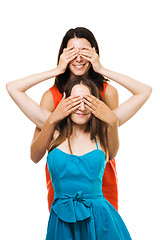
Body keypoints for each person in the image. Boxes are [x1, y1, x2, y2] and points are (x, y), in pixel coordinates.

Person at [6, 27, 152, 214]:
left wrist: (101, 68)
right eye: (71, 52)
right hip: (64, 185)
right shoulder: (51, 97)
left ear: (94, 53)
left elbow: (110, 142)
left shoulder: (107, 92)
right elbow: (36, 152)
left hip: (100, 180)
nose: (78, 57)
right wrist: (57, 70)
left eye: (84, 51)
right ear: (62, 55)